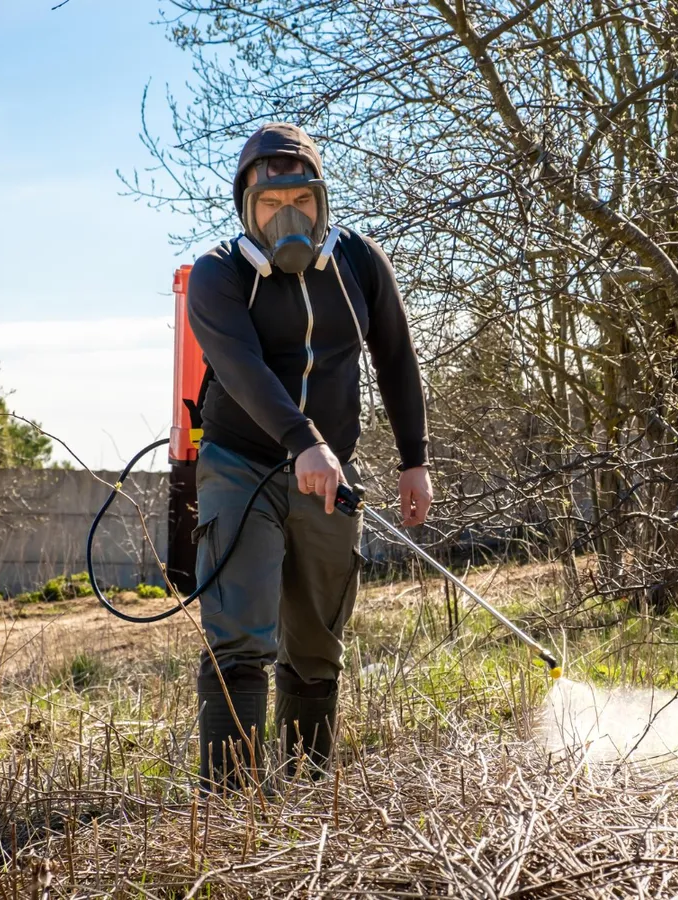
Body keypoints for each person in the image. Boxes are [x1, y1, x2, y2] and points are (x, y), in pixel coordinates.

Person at [186, 122, 432, 789]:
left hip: (330, 474)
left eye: (301, 201)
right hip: (241, 464)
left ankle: (305, 790)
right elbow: (239, 368)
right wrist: (303, 442)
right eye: (269, 205)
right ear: (246, 208)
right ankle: (232, 804)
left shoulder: (359, 263)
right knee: (241, 635)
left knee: (319, 643)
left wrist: (415, 458)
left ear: (323, 202)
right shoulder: (217, 274)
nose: (286, 216)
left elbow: (397, 356)